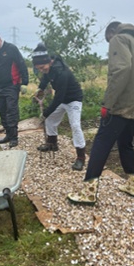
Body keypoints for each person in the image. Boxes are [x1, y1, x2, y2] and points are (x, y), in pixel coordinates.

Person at [68, 21, 134, 204]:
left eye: (108, 40)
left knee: (101, 143)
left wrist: (108, 103)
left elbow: (120, 70)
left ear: (111, 32)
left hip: (121, 106)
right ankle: (132, 184)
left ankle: (88, 192)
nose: (109, 45)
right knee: (125, 143)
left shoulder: (118, 39)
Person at [32, 43, 86, 171]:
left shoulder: (62, 73)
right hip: (62, 100)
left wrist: (45, 112)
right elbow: (45, 79)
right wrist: (40, 89)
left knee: (75, 125)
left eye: (42, 67)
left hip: (73, 100)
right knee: (51, 120)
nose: (41, 70)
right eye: (38, 68)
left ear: (49, 62)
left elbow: (59, 98)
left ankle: (81, 158)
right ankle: (52, 144)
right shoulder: (48, 69)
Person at [0, 31, 29, 148]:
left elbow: (22, 65)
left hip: (12, 85)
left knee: (11, 112)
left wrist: (24, 83)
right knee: (2, 112)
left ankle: (14, 138)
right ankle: (8, 135)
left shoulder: (11, 49)